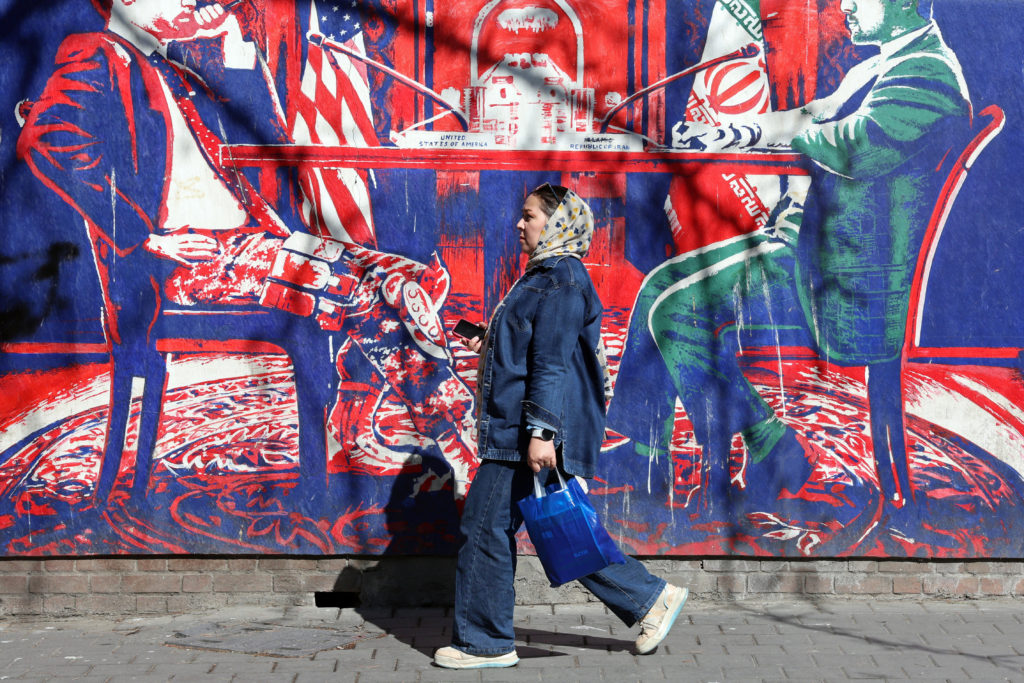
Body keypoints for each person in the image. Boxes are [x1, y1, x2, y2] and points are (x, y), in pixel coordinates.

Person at [16, 0, 477, 508]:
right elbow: (45, 138)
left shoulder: (171, 66)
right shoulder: (97, 53)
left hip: (247, 246)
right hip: (182, 263)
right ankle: (457, 447)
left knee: (406, 277)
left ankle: (355, 421)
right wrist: (145, 237)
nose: (190, 1)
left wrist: (225, 35)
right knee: (360, 291)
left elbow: (251, 125)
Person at [607, 0, 972, 514]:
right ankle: (646, 455)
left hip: (842, 279)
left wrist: (781, 135)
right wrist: (733, 133)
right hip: (810, 247)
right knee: (656, 288)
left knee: (675, 311)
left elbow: (852, 145)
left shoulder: (928, 74)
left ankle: (769, 445)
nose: (845, 5)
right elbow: (813, 116)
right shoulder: (883, 64)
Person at [433, 184, 688, 669]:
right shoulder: (544, 275)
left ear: (556, 223)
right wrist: (492, 342)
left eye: (529, 215)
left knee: (487, 528)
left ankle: (485, 643)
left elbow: (552, 363)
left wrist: (541, 433)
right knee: (560, 528)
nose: (519, 224)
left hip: (527, 431)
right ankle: (650, 598)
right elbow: (535, 350)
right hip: (521, 426)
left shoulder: (562, 280)